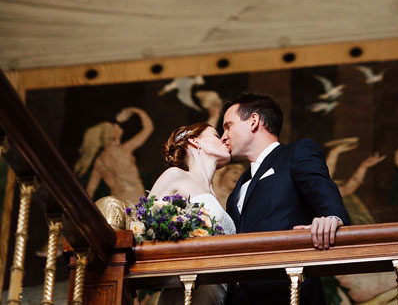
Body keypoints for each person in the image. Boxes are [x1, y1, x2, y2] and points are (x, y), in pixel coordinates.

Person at [221, 92, 350, 305]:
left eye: (228, 126)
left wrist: (333, 218)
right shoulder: (240, 184)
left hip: (289, 292)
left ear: (254, 121)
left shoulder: (296, 153)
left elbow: (327, 198)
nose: (223, 136)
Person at [148, 122, 237, 305]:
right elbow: (145, 225)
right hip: (188, 290)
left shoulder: (219, 197)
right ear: (195, 142)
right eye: (215, 135)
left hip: (219, 294)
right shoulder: (175, 176)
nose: (224, 140)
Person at [75, 106, 154, 206]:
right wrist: (137, 111)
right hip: (134, 199)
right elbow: (148, 128)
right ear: (111, 134)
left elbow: (90, 191)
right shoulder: (125, 150)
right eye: (114, 126)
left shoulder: (100, 161)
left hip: (119, 203)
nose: (118, 126)